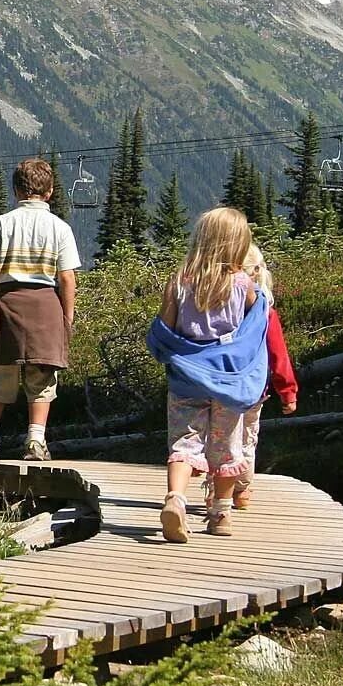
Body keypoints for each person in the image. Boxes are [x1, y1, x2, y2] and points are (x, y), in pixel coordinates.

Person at [146, 206, 267, 542]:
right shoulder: (244, 285)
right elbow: (256, 326)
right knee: (227, 446)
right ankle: (221, 514)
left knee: (184, 444)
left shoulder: (179, 284)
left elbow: (163, 331)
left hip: (186, 379)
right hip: (229, 382)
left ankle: (176, 499)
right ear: (237, 245)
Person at [0, 157, 81, 460]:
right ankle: (35, 441)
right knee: (42, 376)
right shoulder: (60, 228)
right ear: (49, 192)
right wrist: (67, 317)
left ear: (16, 190)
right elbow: (67, 277)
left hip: (7, 303)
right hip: (46, 305)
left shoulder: (1, 224)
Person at [236, 243, 297, 509]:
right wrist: (288, 392)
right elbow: (278, 355)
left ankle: (218, 493)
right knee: (247, 439)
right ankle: (241, 491)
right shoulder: (266, 312)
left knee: (219, 439)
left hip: (218, 385)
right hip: (254, 389)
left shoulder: (220, 312)